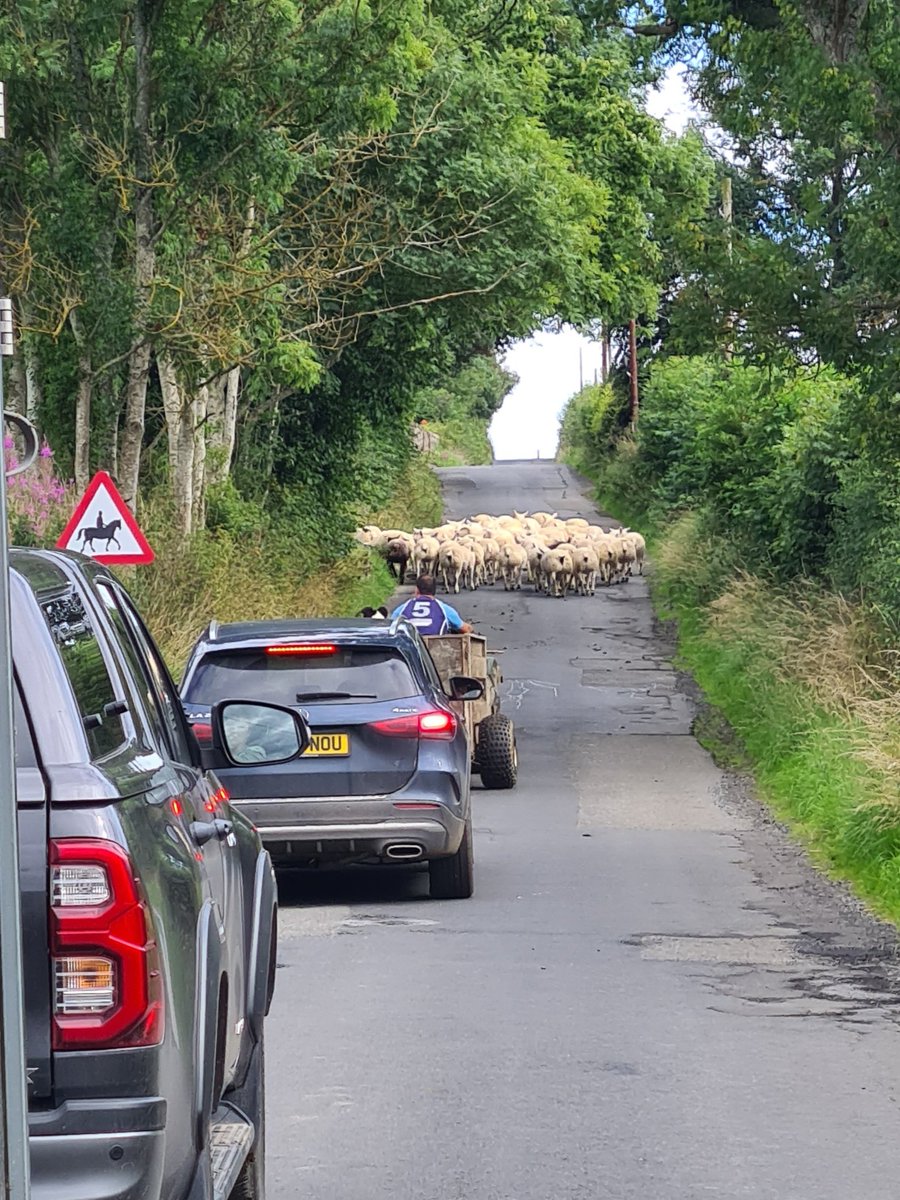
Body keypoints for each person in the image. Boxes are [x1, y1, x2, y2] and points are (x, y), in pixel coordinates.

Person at [391, 574, 472, 636]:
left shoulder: (402, 609)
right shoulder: (444, 609)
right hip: (436, 649)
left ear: (417, 590)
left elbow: (390, 626)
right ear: (434, 591)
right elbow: (465, 629)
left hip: (411, 651)